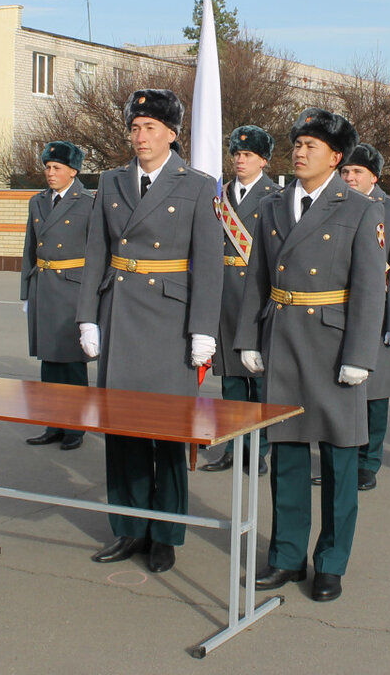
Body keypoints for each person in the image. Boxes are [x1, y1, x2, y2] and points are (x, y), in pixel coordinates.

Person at [235, 108, 385, 602]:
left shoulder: (359, 208)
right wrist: (248, 339)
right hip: (283, 340)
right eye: (297, 144)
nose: (300, 152)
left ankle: (331, 563)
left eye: (311, 146)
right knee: (288, 458)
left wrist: (360, 353)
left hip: (333, 343)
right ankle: (286, 556)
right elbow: (258, 275)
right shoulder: (275, 204)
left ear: (335, 157)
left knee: (341, 462)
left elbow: (369, 289)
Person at [76, 88, 223, 573]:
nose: (141, 136)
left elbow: (209, 264)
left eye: (151, 128)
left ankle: (165, 533)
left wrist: (204, 330)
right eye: (136, 127)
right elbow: (95, 251)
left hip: (170, 320)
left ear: (172, 134)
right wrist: (87, 316)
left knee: (168, 431)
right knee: (122, 431)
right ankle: (128, 528)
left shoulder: (197, 185)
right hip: (120, 311)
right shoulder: (112, 180)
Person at [337, 142, 390, 491]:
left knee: (374, 396)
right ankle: (340, 460)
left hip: (379, 315)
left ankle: (368, 463)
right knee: (339, 394)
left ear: (374, 176)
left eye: (357, 172)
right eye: (346, 172)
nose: (350, 178)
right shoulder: (335, 203)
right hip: (338, 310)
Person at [203, 125, 277, 475]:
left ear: (263, 159)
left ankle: (257, 450)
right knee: (231, 381)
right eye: (236, 154)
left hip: (257, 294)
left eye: (247, 154)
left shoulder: (276, 196)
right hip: (225, 295)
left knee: (259, 381)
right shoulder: (221, 196)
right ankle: (233, 447)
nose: (239, 160)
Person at [21, 140, 95, 449]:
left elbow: (97, 252)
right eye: (48, 167)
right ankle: (53, 423)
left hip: (72, 288)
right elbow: (29, 248)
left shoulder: (88, 203)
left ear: (73, 171)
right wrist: (26, 292)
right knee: (49, 362)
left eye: (57, 168)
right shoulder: (37, 201)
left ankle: (75, 427)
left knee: (71, 363)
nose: (50, 173)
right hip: (45, 285)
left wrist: (94, 298)